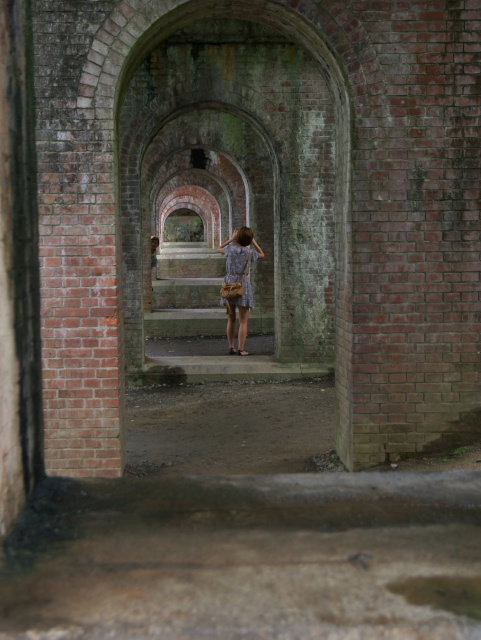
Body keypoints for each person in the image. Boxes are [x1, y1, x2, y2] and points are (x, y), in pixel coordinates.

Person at [217, 226, 265, 356]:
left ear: (237, 238)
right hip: (243, 285)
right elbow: (262, 254)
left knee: (231, 319)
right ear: (249, 239)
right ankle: (241, 349)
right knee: (244, 320)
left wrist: (231, 239)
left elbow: (219, 248)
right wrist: (254, 242)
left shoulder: (230, 250)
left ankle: (231, 347)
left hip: (229, 284)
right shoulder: (250, 253)